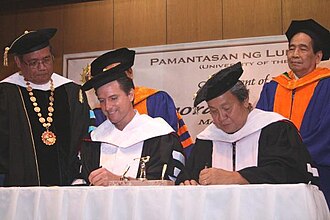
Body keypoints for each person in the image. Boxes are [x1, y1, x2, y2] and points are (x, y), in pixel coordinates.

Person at [180, 62, 319, 186]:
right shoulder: (207, 140)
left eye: (227, 108)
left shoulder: (275, 129)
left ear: (245, 100)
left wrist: (237, 177)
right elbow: (187, 177)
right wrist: (188, 184)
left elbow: (294, 173)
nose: (221, 117)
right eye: (213, 111)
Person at [79, 52, 186, 186]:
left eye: (113, 98)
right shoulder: (93, 141)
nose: (107, 107)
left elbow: (169, 187)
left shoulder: (160, 137)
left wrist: (117, 181)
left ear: (130, 94)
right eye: (102, 100)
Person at [0, 28, 90, 186]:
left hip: (66, 186)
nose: (42, 67)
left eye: (46, 60)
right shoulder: (6, 94)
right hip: (20, 185)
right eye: (33, 63)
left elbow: (81, 138)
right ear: (18, 63)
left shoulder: (72, 92)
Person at [256, 19, 330, 206]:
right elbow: (259, 127)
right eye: (291, 48)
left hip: (319, 171)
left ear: (318, 56)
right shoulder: (273, 88)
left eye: (303, 49)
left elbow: (325, 132)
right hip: (276, 173)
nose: (295, 54)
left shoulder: (327, 86)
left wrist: (293, 157)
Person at [82, 48, 194, 157]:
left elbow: (166, 145)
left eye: (117, 73)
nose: (113, 79)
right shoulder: (100, 111)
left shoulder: (156, 99)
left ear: (130, 73)